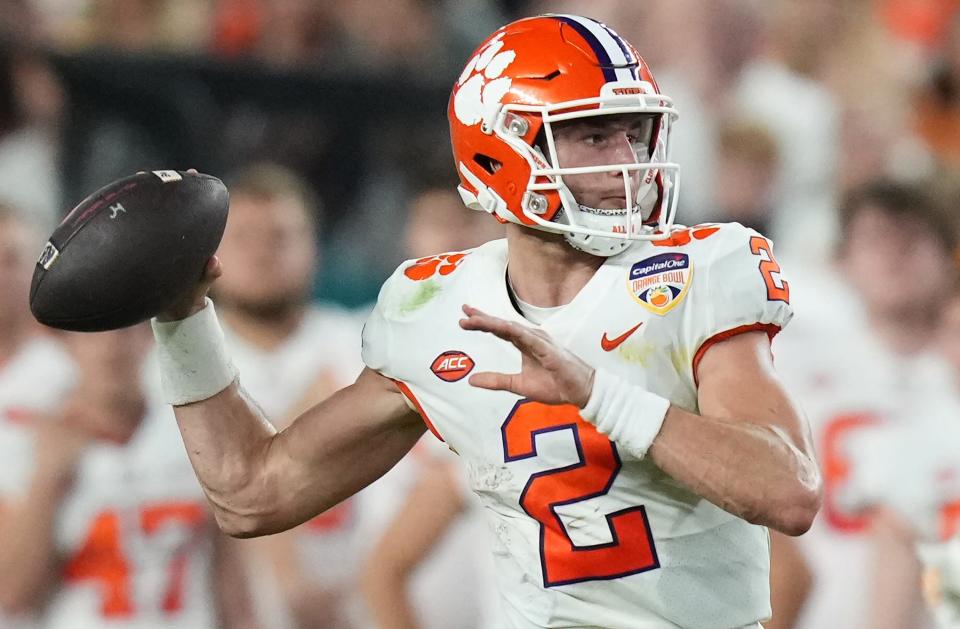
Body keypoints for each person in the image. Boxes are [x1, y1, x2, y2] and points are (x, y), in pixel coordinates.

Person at [152, 15, 821, 629]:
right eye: (593, 134)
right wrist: (183, 319)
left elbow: (788, 491)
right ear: (501, 153)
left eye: (633, 129)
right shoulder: (436, 307)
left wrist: (600, 396)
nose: (628, 158)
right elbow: (252, 492)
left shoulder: (699, 270)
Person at [770, 180, 959, 629]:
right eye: (875, 239)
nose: (894, 255)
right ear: (842, 260)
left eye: (911, 238)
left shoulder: (949, 369)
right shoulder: (794, 366)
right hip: (824, 606)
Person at [0, 325, 256, 629]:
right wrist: (46, 482)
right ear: (64, 340)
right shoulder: (25, 445)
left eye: (123, 327)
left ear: (150, 333)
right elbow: (12, 595)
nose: (110, 345)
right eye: (93, 329)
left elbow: (233, 587)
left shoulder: (195, 438)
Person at [212, 162, 364, 629]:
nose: (262, 254)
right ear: (211, 255)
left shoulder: (365, 342)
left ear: (314, 246)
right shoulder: (175, 367)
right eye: (244, 237)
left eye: (280, 237)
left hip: (362, 603)